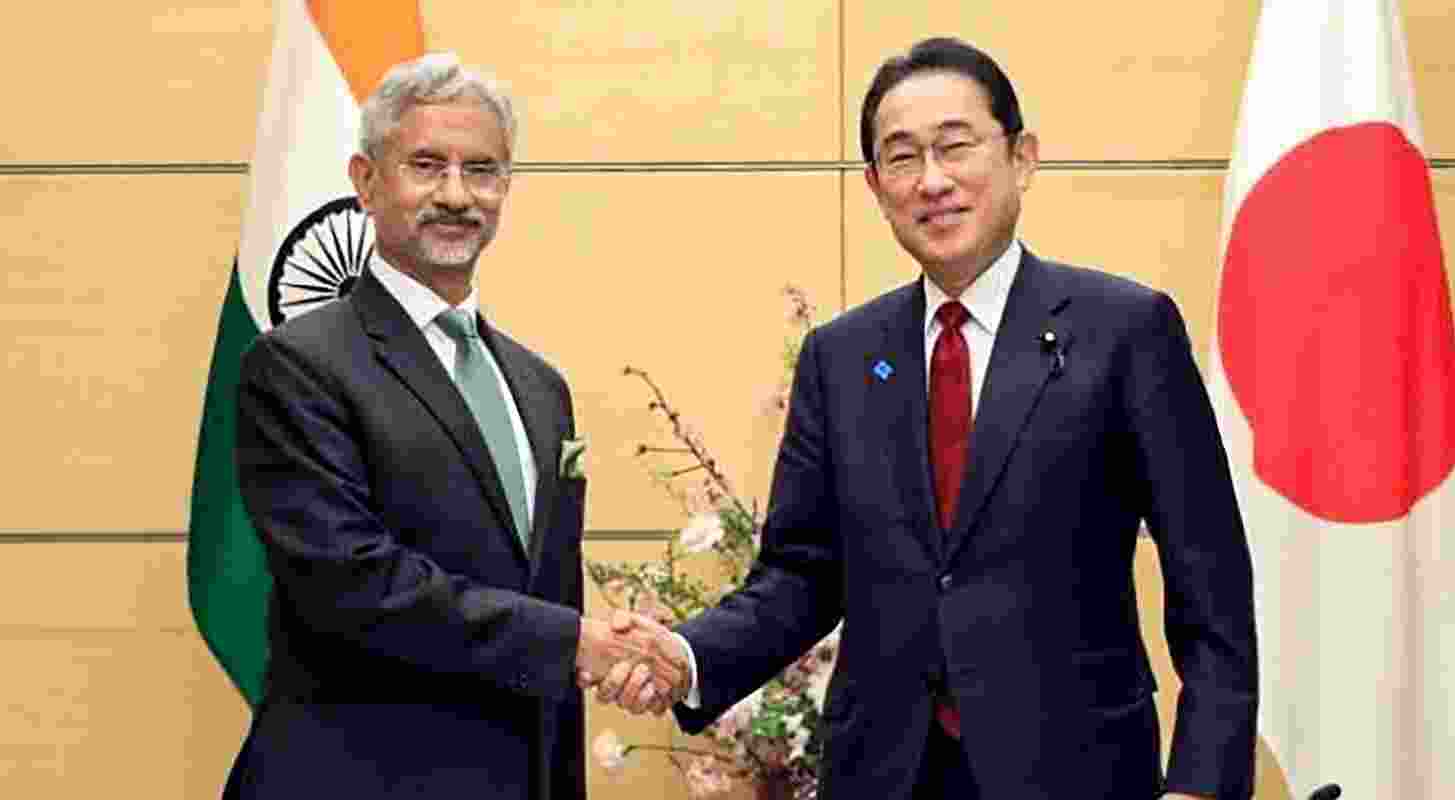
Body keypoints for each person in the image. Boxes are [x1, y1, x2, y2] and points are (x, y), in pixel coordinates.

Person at [594, 37, 1258, 799]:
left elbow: (1213, 586)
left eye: (955, 146)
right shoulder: (841, 357)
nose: (932, 181)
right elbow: (803, 574)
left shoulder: (1124, 330)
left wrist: (1202, 782)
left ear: (1022, 157)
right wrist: (689, 654)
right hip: (887, 772)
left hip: (1077, 769)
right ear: (876, 186)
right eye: (902, 158)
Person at [224, 53, 683, 800]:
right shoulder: (295, 366)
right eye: (426, 166)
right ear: (368, 182)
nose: (456, 195)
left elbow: (546, 592)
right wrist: (574, 643)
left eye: (483, 170)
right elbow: (352, 583)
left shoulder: (539, 388)